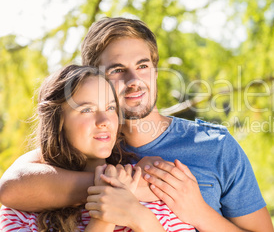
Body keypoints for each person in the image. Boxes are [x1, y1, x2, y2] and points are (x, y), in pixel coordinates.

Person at [0, 17, 274, 231]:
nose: (134, 80)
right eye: (117, 70)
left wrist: (200, 213)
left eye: (143, 66)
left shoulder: (215, 145)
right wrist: (122, 187)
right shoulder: (86, 144)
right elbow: (12, 186)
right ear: (94, 79)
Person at [0, 65, 195, 232]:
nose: (104, 121)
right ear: (58, 122)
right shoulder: (23, 210)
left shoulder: (157, 199)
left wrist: (140, 217)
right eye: (87, 110)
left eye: (110, 108)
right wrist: (104, 218)